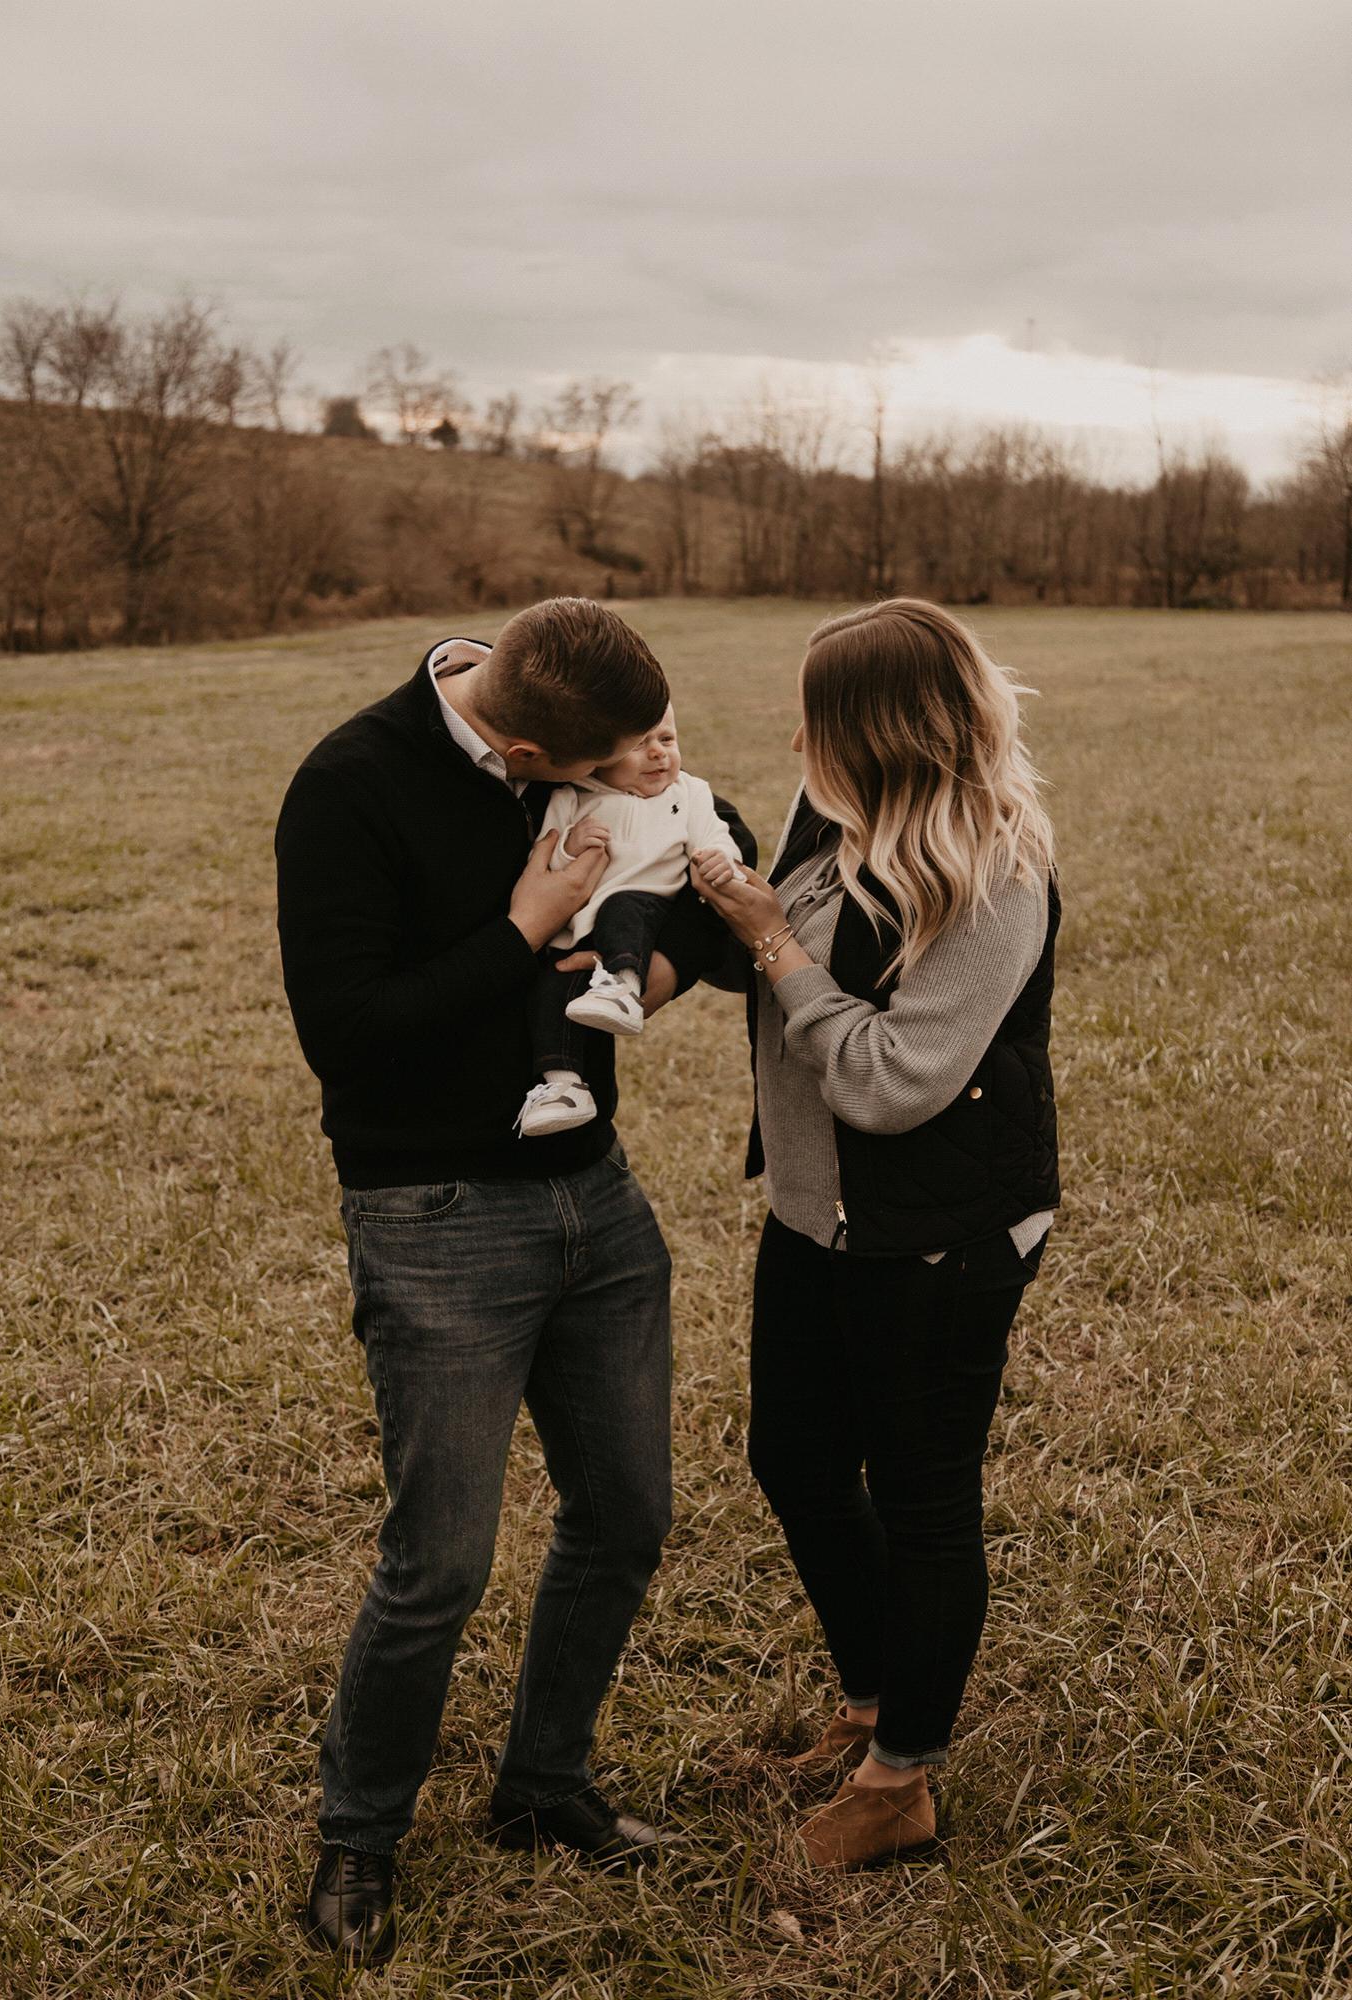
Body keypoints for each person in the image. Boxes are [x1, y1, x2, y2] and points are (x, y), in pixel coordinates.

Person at [275, 598, 752, 1963]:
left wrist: (640, 972)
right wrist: (522, 927)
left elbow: (716, 863)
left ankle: (542, 1784)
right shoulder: (350, 785)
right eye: (605, 766)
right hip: (435, 1214)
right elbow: (346, 1033)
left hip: (597, 1195)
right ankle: (360, 1835)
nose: (633, 771)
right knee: (439, 1563)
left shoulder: (583, 713)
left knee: (626, 1515)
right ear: (532, 751)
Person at [692, 598, 1059, 1872]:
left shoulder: (992, 877)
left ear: (877, 733)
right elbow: (773, 956)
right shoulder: (829, 815)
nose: (795, 739)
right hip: (816, 1213)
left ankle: (902, 1777)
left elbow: (890, 1081)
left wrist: (771, 943)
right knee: (793, 1458)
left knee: (921, 1492)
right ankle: (870, 1700)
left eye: (816, 718)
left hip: (939, 1233)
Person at [517, 703, 745, 1138]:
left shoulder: (689, 792)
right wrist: (570, 845)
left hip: (647, 901)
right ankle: (564, 1087)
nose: (658, 753)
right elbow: (545, 861)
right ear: (598, 756)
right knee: (550, 992)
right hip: (578, 926)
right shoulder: (572, 797)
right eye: (639, 745)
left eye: (667, 739)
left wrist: (722, 859)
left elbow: (715, 838)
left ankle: (623, 987)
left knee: (623, 909)